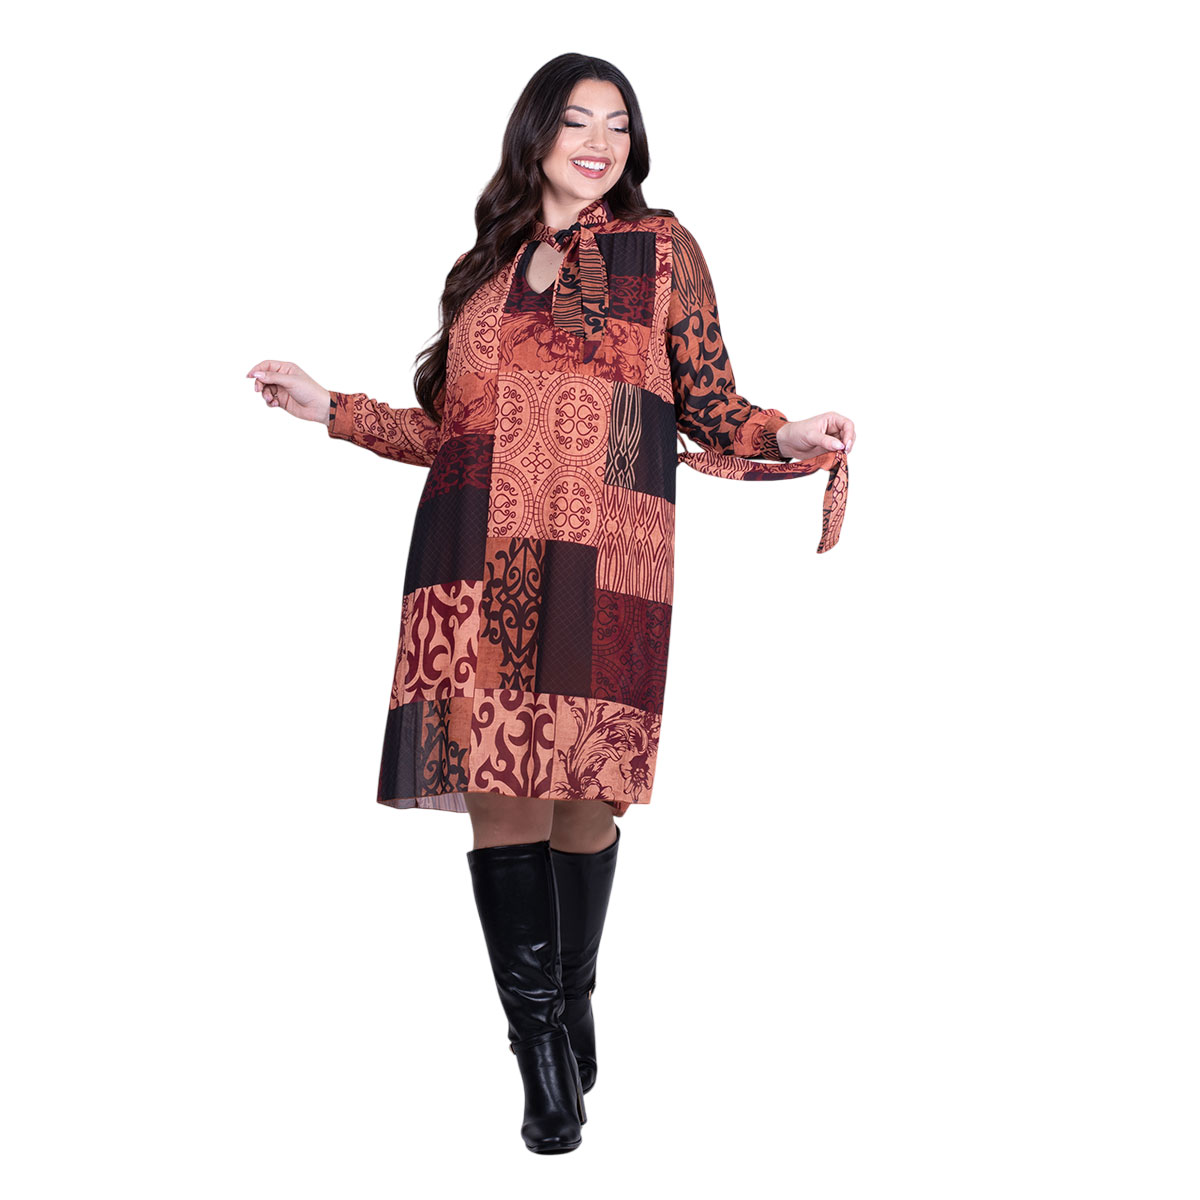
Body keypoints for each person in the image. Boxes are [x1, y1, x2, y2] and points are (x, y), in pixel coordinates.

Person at [246, 53, 854, 1154]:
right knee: (501, 795)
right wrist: (329, 406)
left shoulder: (659, 249)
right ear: (535, 134)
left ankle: (572, 1008)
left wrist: (788, 432)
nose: (599, 142)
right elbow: (451, 432)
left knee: (584, 800)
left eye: (618, 125)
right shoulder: (479, 271)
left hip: (604, 554)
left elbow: (711, 400)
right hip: (471, 554)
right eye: (577, 121)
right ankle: (541, 1060)